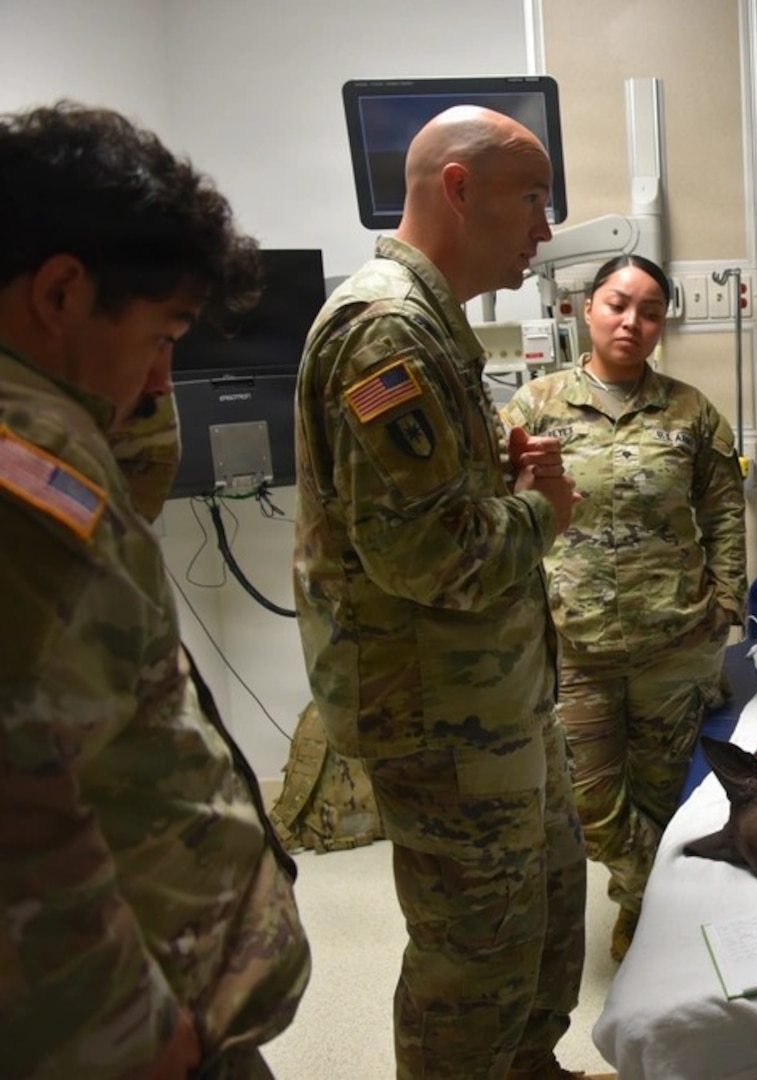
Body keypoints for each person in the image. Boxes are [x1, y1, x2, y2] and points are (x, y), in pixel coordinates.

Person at [0, 101, 310, 1078]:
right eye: (163, 334)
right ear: (58, 292)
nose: (158, 378)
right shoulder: (27, 483)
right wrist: (127, 1035)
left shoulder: (55, 424)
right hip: (122, 1032)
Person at [292, 105, 587, 1080]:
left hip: (493, 695)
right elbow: (427, 558)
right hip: (438, 713)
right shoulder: (387, 335)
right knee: (475, 959)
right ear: (458, 190)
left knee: (542, 910)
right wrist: (543, 509)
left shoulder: (431, 323)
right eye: (533, 199)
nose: (546, 229)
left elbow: (432, 509)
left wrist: (502, 480)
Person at [500, 254, 746, 962]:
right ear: (587, 309)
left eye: (648, 311)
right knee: (591, 805)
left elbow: (723, 512)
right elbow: (504, 513)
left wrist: (726, 600)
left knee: (665, 791)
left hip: (673, 641)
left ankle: (642, 911)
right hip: (574, 644)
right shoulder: (534, 407)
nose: (631, 322)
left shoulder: (691, 411)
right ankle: (664, 889)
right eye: (617, 303)